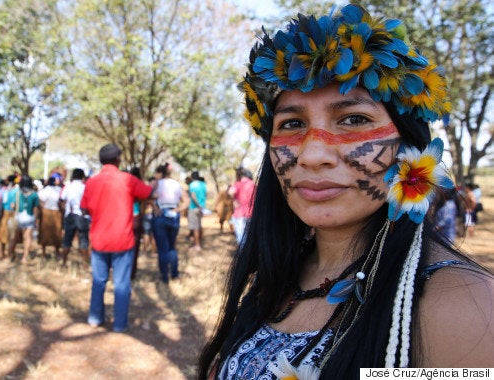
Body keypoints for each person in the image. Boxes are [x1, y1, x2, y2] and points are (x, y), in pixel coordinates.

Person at [198, 5, 494, 378]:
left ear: (410, 147)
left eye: (354, 119)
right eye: (292, 123)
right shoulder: (278, 275)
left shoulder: (460, 309)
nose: (312, 154)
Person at [81, 143, 153, 332]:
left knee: (99, 280)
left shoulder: (91, 182)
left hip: (99, 240)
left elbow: (84, 207)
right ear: (117, 159)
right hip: (123, 240)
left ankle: (95, 318)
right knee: (121, 283)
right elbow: (148, 193)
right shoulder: (127, 180)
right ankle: (119, 324)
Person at [151, 163, 189, 283]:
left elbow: (148, 196)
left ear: (160, 173)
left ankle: (164, 277)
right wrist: (177, 210)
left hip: (160, 215)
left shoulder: (156, 184)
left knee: (162, 248)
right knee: (172, 247)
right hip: (174, 215)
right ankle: (175, 274)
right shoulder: (177, 184)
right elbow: (186, 201)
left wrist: (155, 208)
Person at [59, 168, 88, 266]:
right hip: (82, 215)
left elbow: (61, 200)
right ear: (82, 176)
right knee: (83, 240)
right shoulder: (85, 187)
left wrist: (64, 211)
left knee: (67, 240)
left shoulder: (67, 187)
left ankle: (63, 262)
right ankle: (85, 264)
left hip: (70, 215)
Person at [9, 175, 39, 264]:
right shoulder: (34, 194)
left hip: (18, 217)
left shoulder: (17, 193)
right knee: (27, 238)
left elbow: (12, 205)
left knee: (14, 238)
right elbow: (35, 209)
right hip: (29, 217)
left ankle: (11, 254)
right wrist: (36, 220)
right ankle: (24, 257)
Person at [228, 167, 255, 246]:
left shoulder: (238, 183)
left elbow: (230, 192)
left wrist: (234, 200)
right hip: (251, 213)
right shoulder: (253, 184)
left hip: (239, 214)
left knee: (241, 236)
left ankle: (243, 252)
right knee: (250, 234)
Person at [37, 176, 63, 260]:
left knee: (45, 232)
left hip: (46, 212)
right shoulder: (59, 190)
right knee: (57, 232)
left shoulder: (44, 191)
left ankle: (44, 253)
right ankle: (57, 252)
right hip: (56, 213)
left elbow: (40, 201)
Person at [0, 175, 19, 259]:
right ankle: (11, 254)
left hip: (5, 214)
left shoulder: (6, 191)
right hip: (12, 214)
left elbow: (3, 203)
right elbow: (14, 205)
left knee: (4, 233)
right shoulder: (17, 191)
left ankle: (3, 253)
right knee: (12, 235)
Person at [188, 171, 207, 251]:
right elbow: (205, 195)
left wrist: (198, 205)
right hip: (202, 208)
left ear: (192, 177)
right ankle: (200, 241)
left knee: (195, 227)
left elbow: (193, 196)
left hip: (194, 208)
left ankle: (197, 245)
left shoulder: (192, 185)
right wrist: (202, 206)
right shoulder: (203, 184)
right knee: (199, 225)